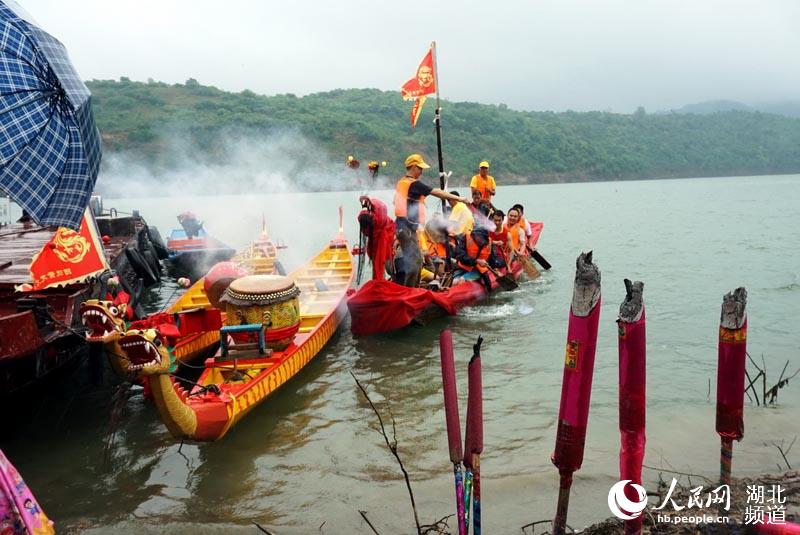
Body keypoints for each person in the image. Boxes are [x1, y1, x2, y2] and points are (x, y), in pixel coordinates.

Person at [394, 154, 468, 287]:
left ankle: (412, 288)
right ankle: (410, 290)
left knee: (416, 261)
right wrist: (459, 199)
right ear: (414, 167)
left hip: (402, 228)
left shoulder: (401, 182)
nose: (422, 171)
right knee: (415, 263)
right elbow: (438, 193)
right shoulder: (414, 184)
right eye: (420, 168)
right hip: (407, 230)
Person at [454, 227, 492, 292]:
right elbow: (461, 256)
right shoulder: (465, 238)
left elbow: (492, 258)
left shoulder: (488, 242)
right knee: (453, 282)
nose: (480, 240)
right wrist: (476, 261)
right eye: (478, 237)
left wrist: (496, 267)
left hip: (479, 270)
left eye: (481, 238)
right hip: (465, 266)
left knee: (461, 280)